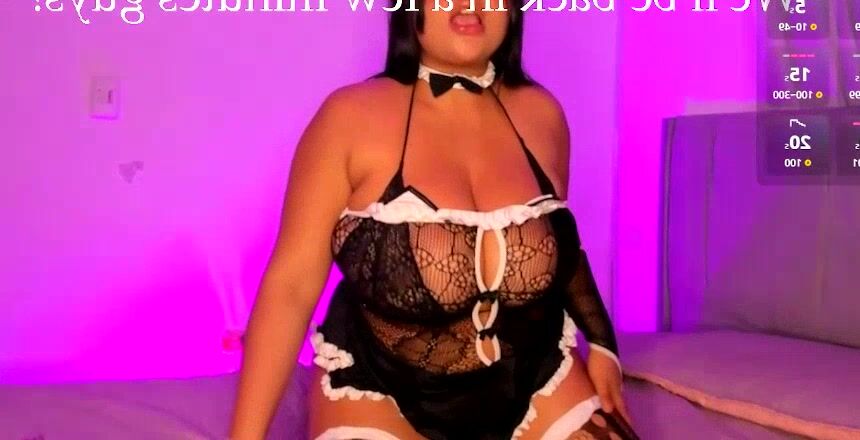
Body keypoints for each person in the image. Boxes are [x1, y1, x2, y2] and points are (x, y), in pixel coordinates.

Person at [229, 0, 640, 438]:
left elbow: (561, 246)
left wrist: (603, 345)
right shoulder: (349, 118)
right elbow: (291, 287)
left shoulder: (543, 115)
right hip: (382, 391)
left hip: (536, 378)